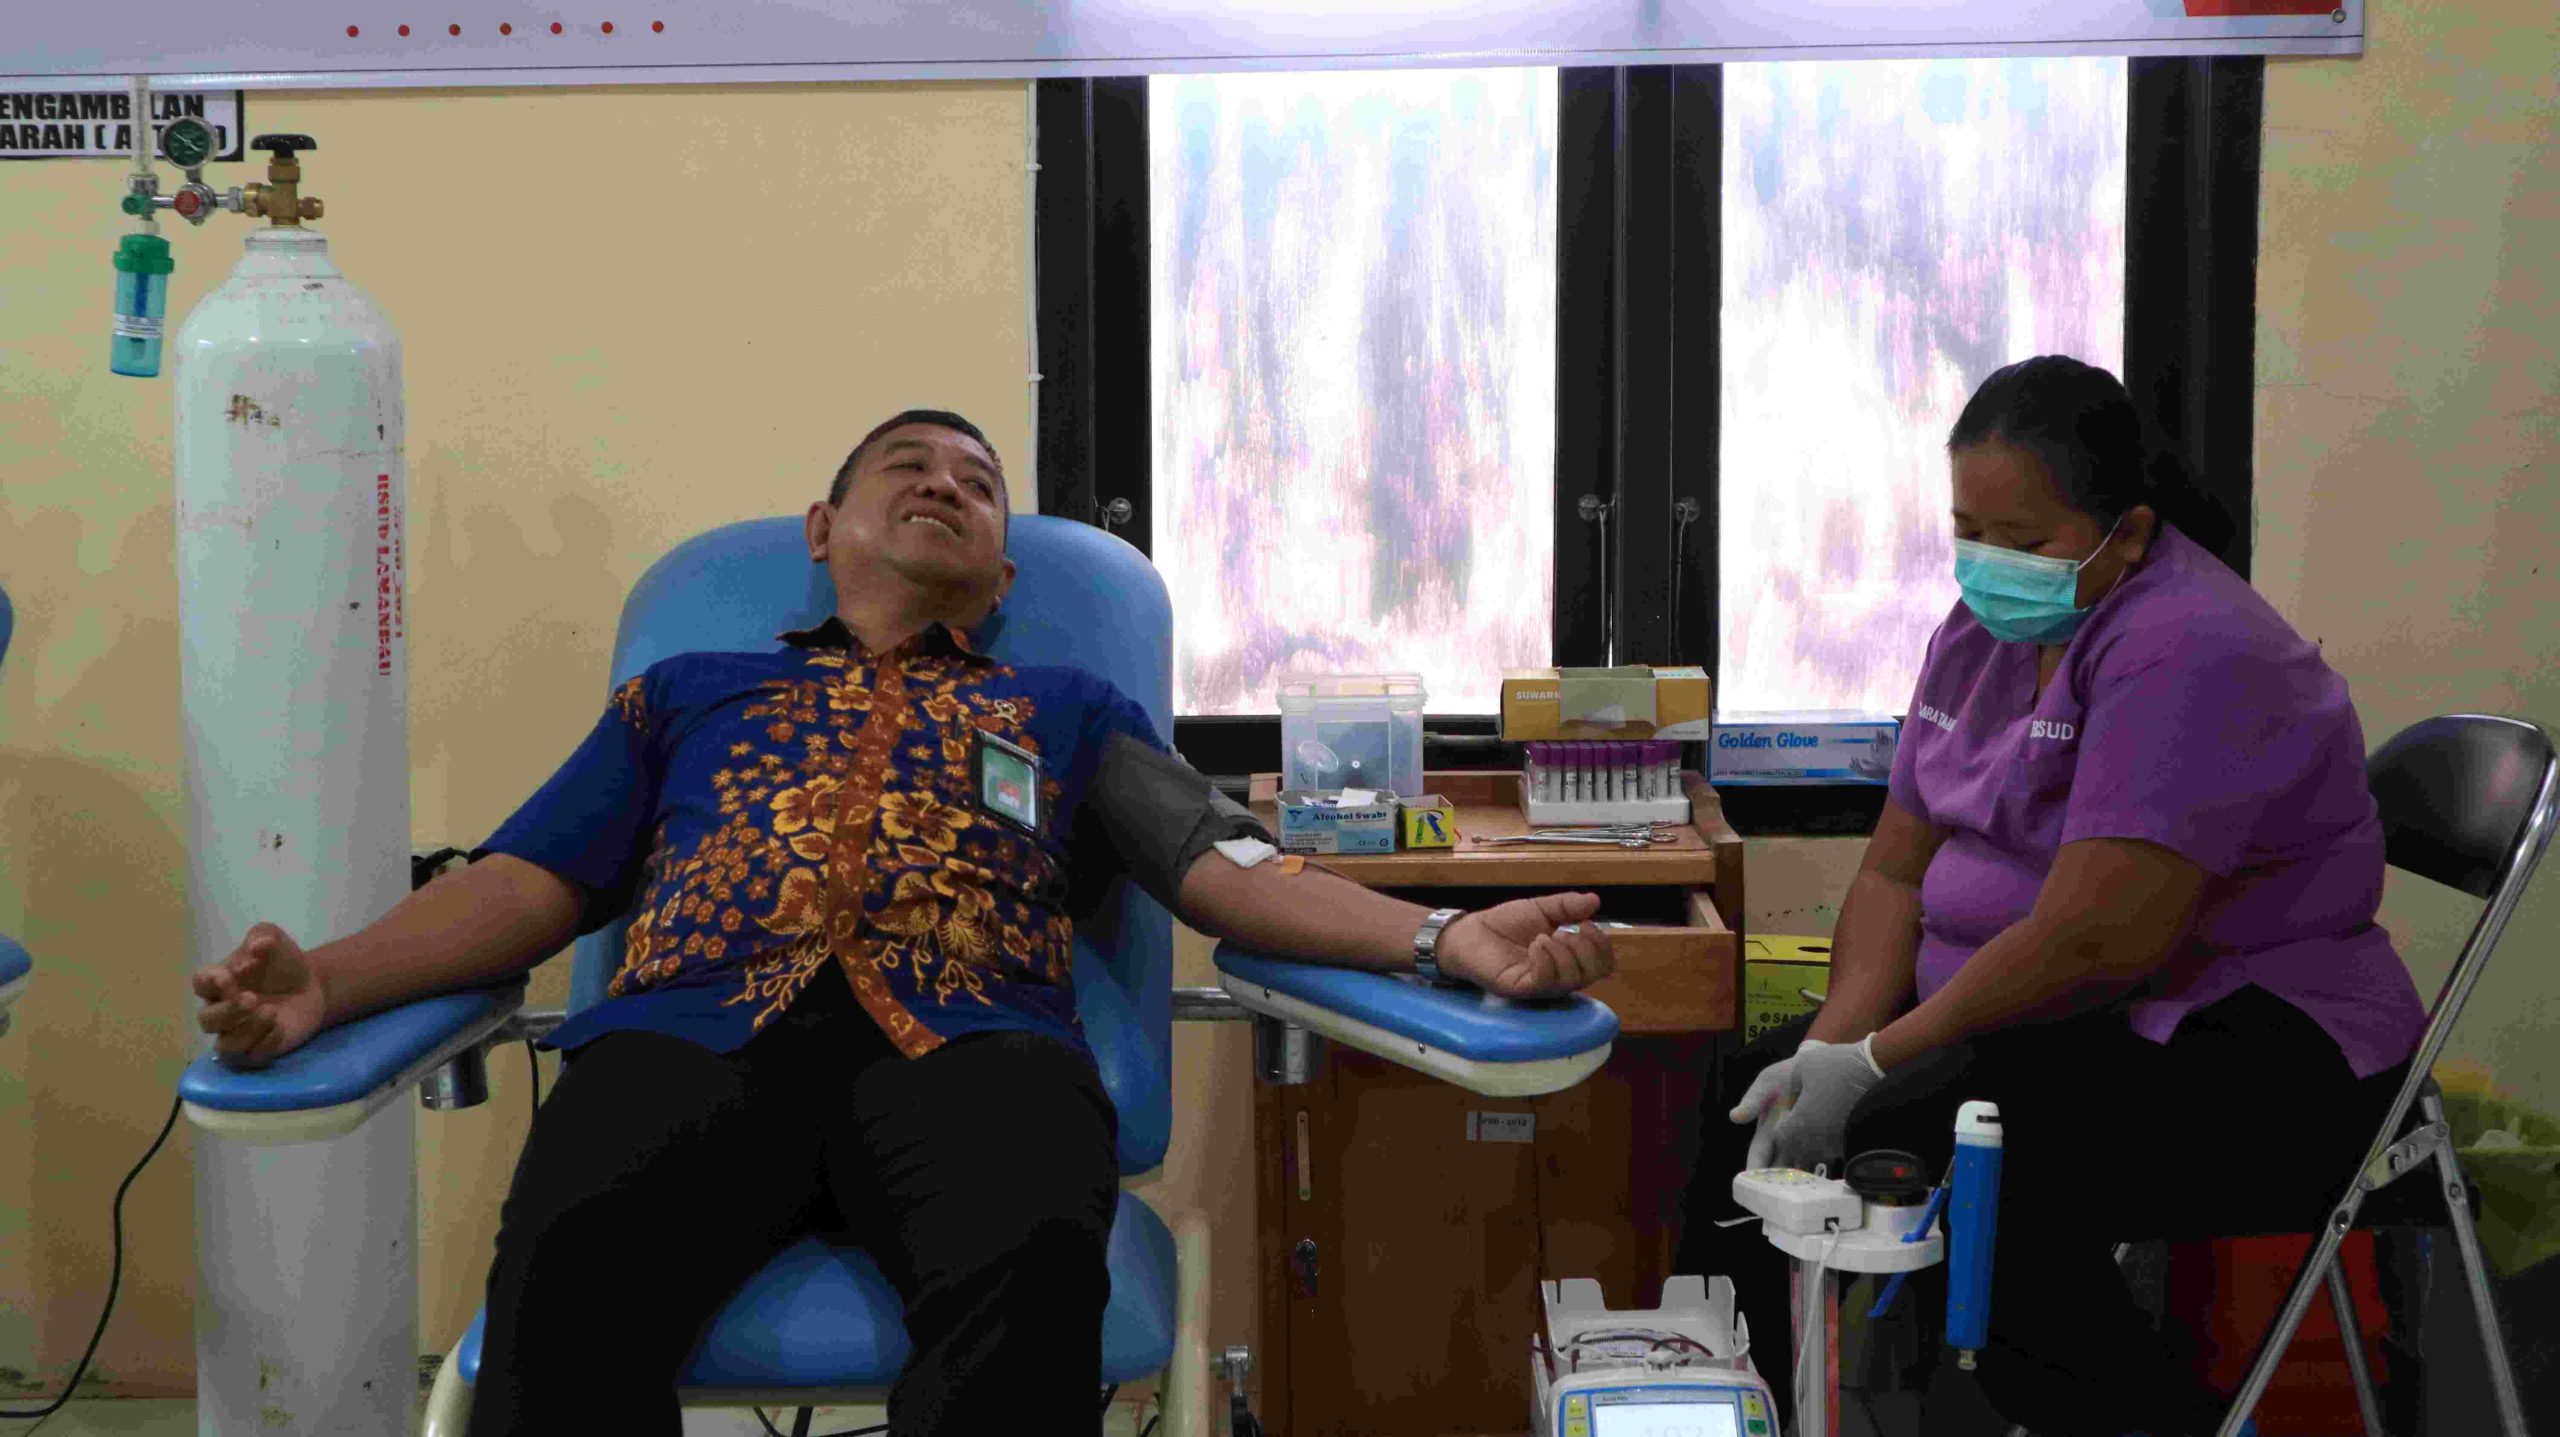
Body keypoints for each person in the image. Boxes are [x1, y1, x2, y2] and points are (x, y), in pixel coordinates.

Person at [191, 409, 1619, 1436]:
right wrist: (328, 982)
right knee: (565, 1292)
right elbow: (526, 882)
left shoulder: (1068, 709)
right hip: (687, 1040)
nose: (946, 484)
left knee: (1027, 1293)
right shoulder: (685, 694)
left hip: (976, 1050)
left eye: (977, 485)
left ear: (1003, 573)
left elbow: (1226, 865)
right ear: (824, 531)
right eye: (908, 468)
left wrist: (1442, 941)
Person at [1676, 357, 2426, 1437]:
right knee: (1750, 1108)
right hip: (2056, 1018)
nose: (1987, 564)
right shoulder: (1979, 635)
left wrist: (1877, 1064)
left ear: (2126, 532)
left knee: (1982, 1167)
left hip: (2262, 1048)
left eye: (2022, 541)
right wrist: (1831, 1050)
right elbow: (1894, 869)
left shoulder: (2190, 647)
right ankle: (1724, 1411)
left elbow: (2094, 940)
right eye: (1966, 530)